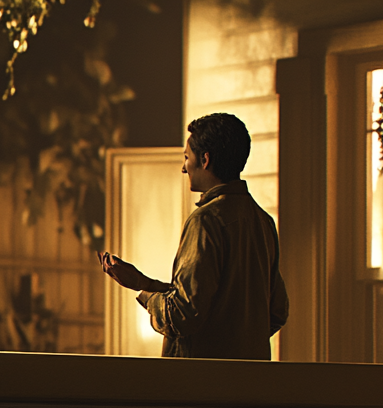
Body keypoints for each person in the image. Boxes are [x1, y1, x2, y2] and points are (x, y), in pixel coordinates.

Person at [101, 112, 289, 360]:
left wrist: (147, 297)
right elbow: (276, 311)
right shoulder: (262, 222)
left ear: (205, 159)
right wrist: (144, 283)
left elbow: (183, 315)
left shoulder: (206, 221)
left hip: (201, 384)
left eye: (187, 157)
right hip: (251, 383)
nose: (183, 167)